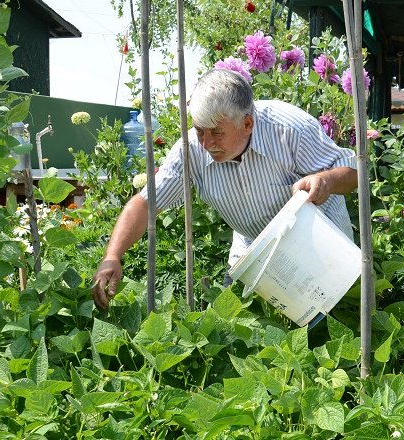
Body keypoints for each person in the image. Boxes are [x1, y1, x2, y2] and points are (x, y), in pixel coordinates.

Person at [91, 69, 358, 310]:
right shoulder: (190, 151)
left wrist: (328, 180)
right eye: (199, 131)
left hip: (324, 251)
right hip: (255, 255)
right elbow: (146, 203)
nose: (206, 143)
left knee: (331, 327)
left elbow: (353, 170)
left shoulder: (289, 129)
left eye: (217, 133)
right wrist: (112, 256)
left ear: (247, 123)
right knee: (243, 336)